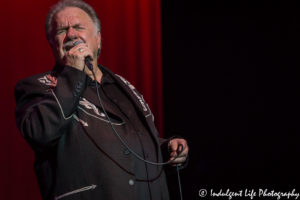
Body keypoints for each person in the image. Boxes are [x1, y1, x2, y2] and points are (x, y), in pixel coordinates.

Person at [14, 0, 189, 199]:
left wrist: (166, 149)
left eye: (79, 27)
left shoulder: (122, 86)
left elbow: (127, 141)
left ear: (98, 39)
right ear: (52, 44)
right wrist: (72, 73)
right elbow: (40, 132)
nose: (71, 34)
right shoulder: (39, 86)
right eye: (62, 30)